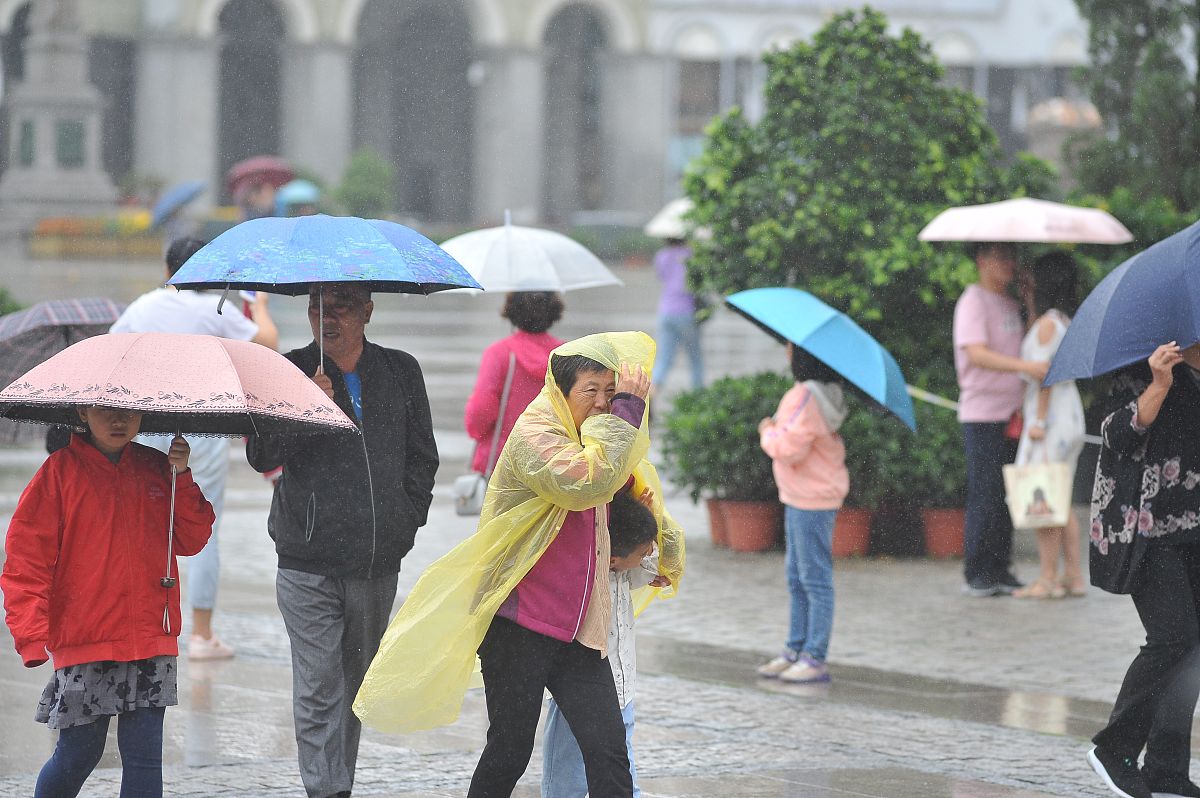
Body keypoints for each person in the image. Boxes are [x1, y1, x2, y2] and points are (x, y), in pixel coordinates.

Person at [352, 332, 684, 798]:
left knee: (608, 749)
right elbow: (589, 482)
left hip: (577, 630)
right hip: (518, 625)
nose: (604, 405)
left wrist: (660, 546)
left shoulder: (598, 439)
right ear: (559, 391)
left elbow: (623, 484)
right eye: (591, 392)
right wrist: (627, 409)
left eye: (611, 392)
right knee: (510, 748)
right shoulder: (536, 435)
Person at [246, 282, 438, 798]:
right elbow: (262, 456)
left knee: (354, 687)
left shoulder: (400, 371)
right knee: (318, 687)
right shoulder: (287, 370)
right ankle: (324, 789)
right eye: (316, 308)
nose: (325, 319)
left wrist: (404, 523)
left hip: (376, 560)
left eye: (340, 308)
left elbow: (422, 458)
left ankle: (338, 785)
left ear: (367, 312)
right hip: (307, 559)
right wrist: (305, 409)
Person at [2, 407, 214, 797]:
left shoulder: (157, 467)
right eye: (108, 413)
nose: (119, 422)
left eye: (128, 413)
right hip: (86, 640)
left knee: (145, 757)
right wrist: (31, 635)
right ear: (84, 411)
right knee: (78, 753)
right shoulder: (59, 474)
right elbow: (25, 562)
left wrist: (181, 477)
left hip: (152, 636)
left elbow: (192, 537)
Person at [111, 236, 278, 660]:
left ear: (169, 271)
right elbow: (268, 344)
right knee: (204, 530)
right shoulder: (214, 309)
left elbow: (110, 352)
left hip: (147, 422)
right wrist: (257, 304)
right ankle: (201, 635)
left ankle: (140, 621)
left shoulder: (144, 306)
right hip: (201, 426)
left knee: (145, 522)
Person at [1086, 342, 1200, 798]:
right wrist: (1159, 385)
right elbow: (1116, 434)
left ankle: (1167, 768)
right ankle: (1114, 749)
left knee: (1192, 648)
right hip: (1145, 529)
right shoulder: (1146, 364)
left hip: (1194, 528)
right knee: (1173, 637)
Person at [541, 487, 664, 798]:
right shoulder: (586, 578)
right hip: (580, 694)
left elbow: (641, 572)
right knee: (567, 776)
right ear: (614, 558)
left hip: (622, 691)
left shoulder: (623, 572)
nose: (646, 556)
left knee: (622, 767)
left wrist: (646, 527)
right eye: (643, 552)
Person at [952, 242, 1049, 597]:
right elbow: (976, 353)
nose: (1009, 262)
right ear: (981, 260)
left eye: (1012, 255)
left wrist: (1030, 300)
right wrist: (1026, 368)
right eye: (1000, 256)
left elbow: (1031, 344)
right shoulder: (973, 301)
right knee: (986, 493)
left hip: (1014, 413)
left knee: (1010, 493)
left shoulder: (1011, 303)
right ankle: (977, 572)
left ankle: (1000, 568)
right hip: (983, 414)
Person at [755, 345, 848, 684]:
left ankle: (813, 656)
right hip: (806, 495)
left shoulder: (805, 397)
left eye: (791, 347)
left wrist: (767, 429)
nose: (785, 350)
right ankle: (796, 649)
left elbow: (788, 447)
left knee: (813, 580)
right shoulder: (827, 393)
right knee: (798, 577)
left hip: (810, 498)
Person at [1012, 251, 1086, 600]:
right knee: (1061, 497)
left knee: (1043, 495)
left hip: (1050, 416)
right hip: (1068, 413)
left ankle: (1047, 578)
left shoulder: (1047, 325)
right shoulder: (1061, 321)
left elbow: (1043, 375)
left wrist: (1038, 422)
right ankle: (1072, 575)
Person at [464, 291, 565, 474]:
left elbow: (481, 411)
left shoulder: (500, 353)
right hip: (554, 463)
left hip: (503, 462)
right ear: (553, 312)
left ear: (511, 312)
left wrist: (475, 430)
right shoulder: (565, 355)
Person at [651, 238, 704, 390]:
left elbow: (661, 276)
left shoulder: (662, 255)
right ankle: (698, 396)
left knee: (664, 359)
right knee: (695, 359)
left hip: (665, 311)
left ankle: (652, 394)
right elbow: (698, 281)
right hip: (686, 311)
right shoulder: (691, 255)